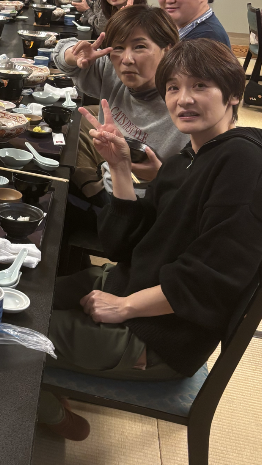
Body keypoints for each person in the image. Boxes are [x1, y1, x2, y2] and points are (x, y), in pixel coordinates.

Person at [39, 39, 262, 440]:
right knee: (20, 295)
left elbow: (210, 280)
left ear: (233, 95)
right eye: (173, 87)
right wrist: (120, 168)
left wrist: (125, 306)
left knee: (0, 337)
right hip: (128, 284)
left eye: (200, 86)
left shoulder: (243, 162)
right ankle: (45, 387)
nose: (183, 99)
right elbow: (123, 246)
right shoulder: (188, 158)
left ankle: (55, 417)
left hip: (157, 338)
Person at [52, 5, 186, 202]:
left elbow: (204, 183)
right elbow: (61, 53)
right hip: (109, 185)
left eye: (140, 47)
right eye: (118, 48)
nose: (127, 59)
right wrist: (74, 55)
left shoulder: (186, 104)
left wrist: (161, 176)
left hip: (153, 204)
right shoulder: (112, 72)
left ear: (168, 49)